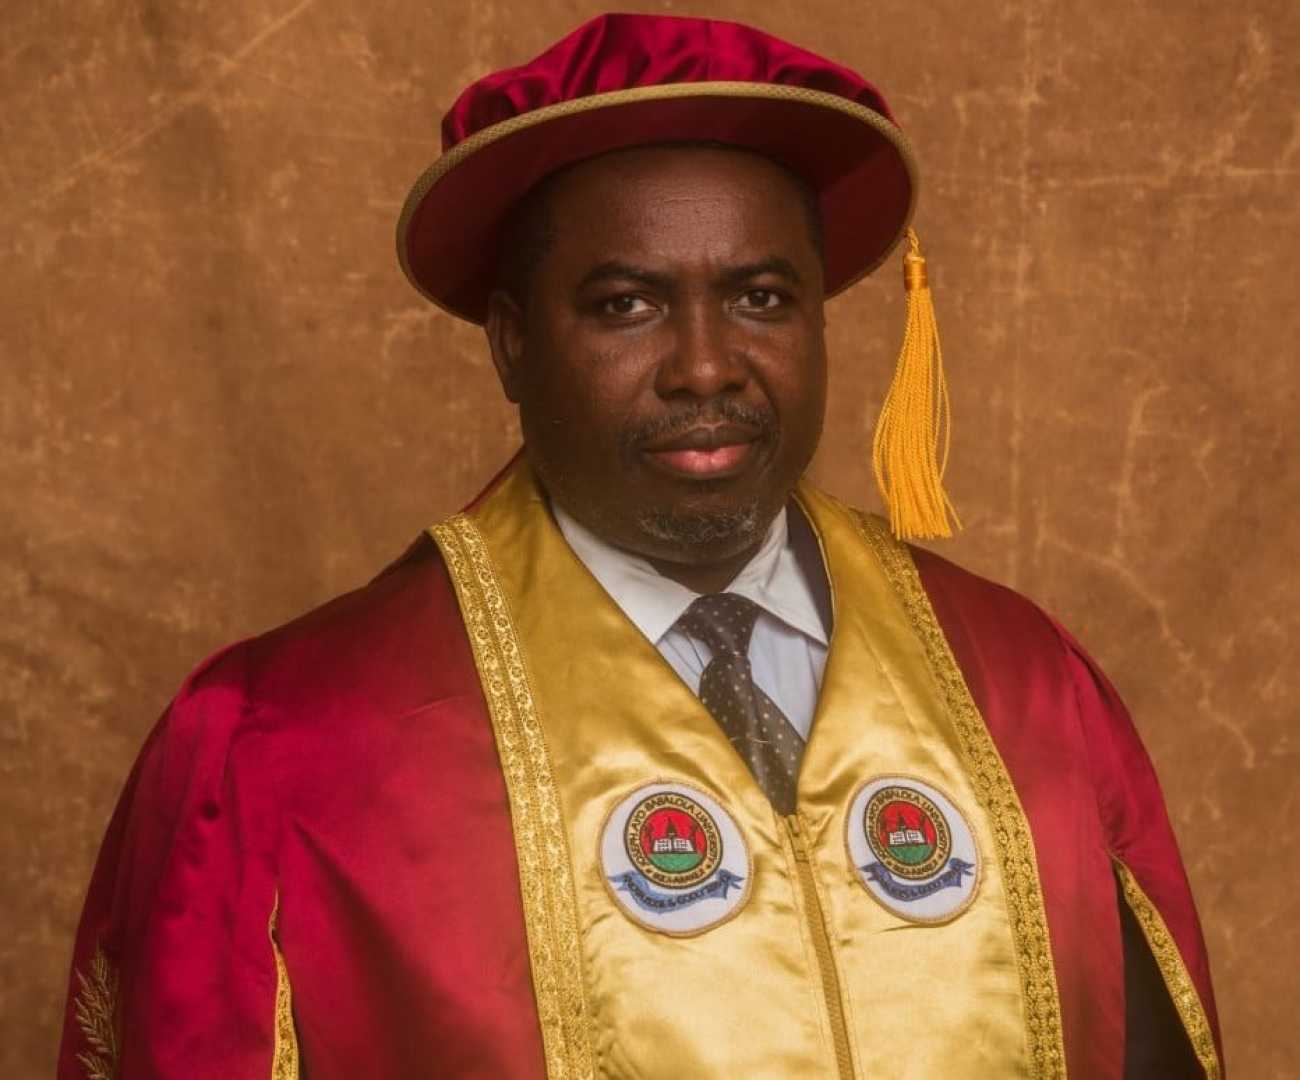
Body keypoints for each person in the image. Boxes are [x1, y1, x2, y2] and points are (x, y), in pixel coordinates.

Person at [57, 13, 1223, 1079]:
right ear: (511, 345)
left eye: (761, 298)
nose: (706, 368)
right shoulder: (287, 743)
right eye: (626, 305)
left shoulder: (1022, 687)